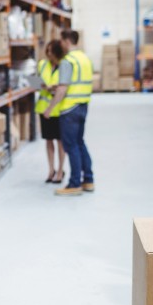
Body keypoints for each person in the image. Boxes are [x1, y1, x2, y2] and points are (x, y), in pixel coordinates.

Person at [44, 29, 94, 197]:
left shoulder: (68, 61)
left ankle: (74, 183)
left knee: (70, 146)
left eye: (61, 41)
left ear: (66, 41)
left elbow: (62, 88)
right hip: (83, 105)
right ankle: (88, 180)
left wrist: (50, 108)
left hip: (70, 109)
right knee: (80, 143)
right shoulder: (84, 58)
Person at [35, 40, 66, 184]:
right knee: (48, 141)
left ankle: (60, 171)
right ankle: (51, 170)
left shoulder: (65, 66)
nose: (48, 54)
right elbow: (34, 82)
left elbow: (66, 87)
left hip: (59, 110)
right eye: (47, 51)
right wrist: (42, 86)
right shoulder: (42, 64)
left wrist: (56, 88)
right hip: (44, 108)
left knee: (60, 142)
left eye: (51, 51)